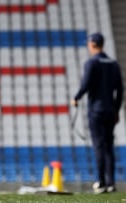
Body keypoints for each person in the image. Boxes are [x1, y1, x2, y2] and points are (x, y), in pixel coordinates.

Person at [71, 33, 123, 194]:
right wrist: (116, 109)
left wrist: (76, 98)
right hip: (110, 111)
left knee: (99, 146)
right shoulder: (113, 63)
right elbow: (120, 89)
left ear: (93, 44)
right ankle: (111, 182)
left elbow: (85, 84)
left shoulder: (91, 63)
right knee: (109, 147)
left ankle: (100, 182)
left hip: (96, 111)